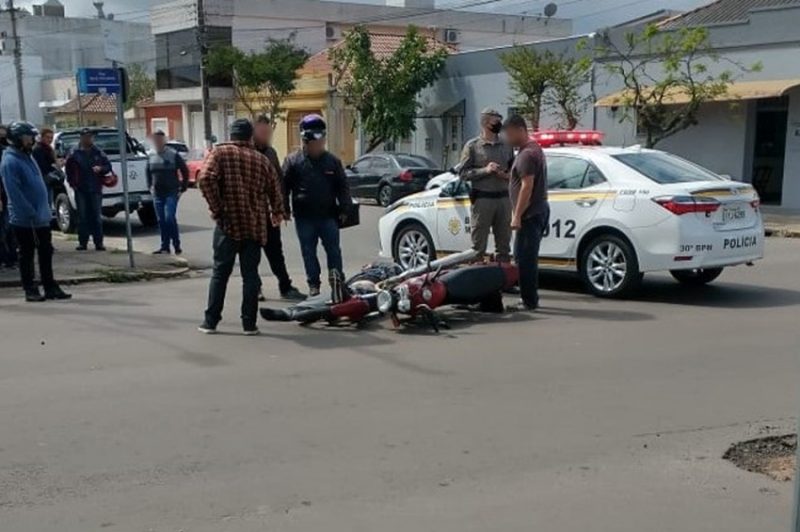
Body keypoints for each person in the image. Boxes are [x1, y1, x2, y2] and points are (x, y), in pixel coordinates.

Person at [198, 118, 286, 335]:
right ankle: (249, 324)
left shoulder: (219, 154)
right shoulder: (261, 160)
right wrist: (277, 212)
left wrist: (217, 208)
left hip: (227, 225)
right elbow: (275, 189)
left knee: (220, 274)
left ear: (231, 135)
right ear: (250, 137)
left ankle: (211, 322)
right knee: (250, 276)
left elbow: (205, 179)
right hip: (254, 227)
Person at [282, 114, 352, 297]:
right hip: (304, 217)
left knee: (334, 251)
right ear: (305, 141)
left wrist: (345, 208)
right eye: (313, 143)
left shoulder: (332, 162)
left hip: (328, 216)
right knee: (308, 252)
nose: (318, 147)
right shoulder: (293, 161)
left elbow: (343, 187)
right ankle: (314, 285)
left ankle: (337, 282)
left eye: (321, 143)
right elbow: (283, 187)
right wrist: (284, 209)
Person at [0, 121, 71, 302]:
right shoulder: (10, 161)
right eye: (27, 138)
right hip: (26, 219)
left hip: (41, 216)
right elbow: (14, 193)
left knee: (46, 252)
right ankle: (30, 288)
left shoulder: (28, 156)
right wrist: (29, 211)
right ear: (17, 139)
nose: (31, 141)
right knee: (27, 254)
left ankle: (50, 286)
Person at [252, 115, 304, 301]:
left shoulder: (271, 153)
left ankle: (285, 286)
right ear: (254, 131)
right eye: (263, 132)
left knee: (276, 252)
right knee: (252, 254)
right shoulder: (247, 152)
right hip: (251, 214)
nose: (266, 136)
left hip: (269, 213)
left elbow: (279, 183)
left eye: (269, 132)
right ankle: (255, 287)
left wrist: (281, 209)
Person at [503, 114, 550, 311]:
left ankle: (529, 300)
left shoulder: (527, 155)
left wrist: (517, 215)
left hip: (529, 214)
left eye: (510, 134)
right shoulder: (532, 149)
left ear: (520, 130)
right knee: (523, 256)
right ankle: (528, 298)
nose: (507, 138)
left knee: (525, 259)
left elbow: (526, 187)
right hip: (535, 211)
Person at [458, 108, 515, 262]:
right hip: (483, 199)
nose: (499, 124)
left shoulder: (507, 145)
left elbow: (514, 171)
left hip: (504, 199)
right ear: (485, 123)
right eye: (495, 121)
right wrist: (485, 170)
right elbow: (463, 174)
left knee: (504, 246)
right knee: (478, 247)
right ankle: (478, 278)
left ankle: (503, 278)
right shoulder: (473, 146)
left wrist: (506, 175)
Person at [64, 128, 111, 251]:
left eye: (90, 137)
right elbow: (68, 169)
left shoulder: (98, 151)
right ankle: (82, 243)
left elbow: (108, 166)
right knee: (82, 217)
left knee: (96, 217)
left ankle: (98, 243)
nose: (88, 139)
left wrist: (101, 168)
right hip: (81, 189)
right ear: (81, 138)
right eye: (85, 137)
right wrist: (72, 183)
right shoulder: (74, 152)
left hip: (95, 188)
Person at [146, 129, 189, 255]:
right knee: (161, 220)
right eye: (155, 140)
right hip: (157, 193)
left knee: (169, 218)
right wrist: (150, 186)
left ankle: (176, 244)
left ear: (164, 140)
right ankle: (164, 246)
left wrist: (183, 187)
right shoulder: (151, 155)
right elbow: (148, 172)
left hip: (171, 192)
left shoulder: (173, 154)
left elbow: (184, 170)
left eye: (160, 139)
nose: (157, 142)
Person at [0, 125, 18, 269]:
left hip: (7, 196)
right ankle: (7, 258)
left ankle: (10, 257)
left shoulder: (8, 153)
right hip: (3, 196)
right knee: (4, 229)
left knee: (9, 228)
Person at [32, 128, 58, 207]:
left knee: (48, 202)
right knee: (45, 203)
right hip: (42, 180)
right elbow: (42, 166)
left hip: (48, 180)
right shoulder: (39, 149)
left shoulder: (48, 148)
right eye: (47, 137)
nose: (50, 139)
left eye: (51, 137)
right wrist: (54, 166)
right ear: (42, 137)